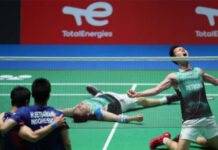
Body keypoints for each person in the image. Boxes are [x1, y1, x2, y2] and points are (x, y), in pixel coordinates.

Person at [127, 45, 218, 150]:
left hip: (207, 117)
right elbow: (157, 90)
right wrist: (137, 94)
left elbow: (215, 82)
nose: (183, 50)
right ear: (175, 58)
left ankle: (186, 138)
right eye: (179, 50)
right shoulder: (174, 77)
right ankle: (164, 139)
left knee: (214, 146)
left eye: (183, 49)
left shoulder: (198, 71)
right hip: (191, 120)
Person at [0, 78, 71, 150]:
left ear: (32, 94)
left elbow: (3, 129)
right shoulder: (59, 115)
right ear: (49, 95)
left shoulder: (23, 113)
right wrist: (54, 123)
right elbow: (67, 144)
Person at [64, 86, 179, 123]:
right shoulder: (98, 112)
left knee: (99, 95)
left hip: (103, 96)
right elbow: (116, 118)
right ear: (88, 113)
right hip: (120, 101)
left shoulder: (74, 111)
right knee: (141, 99)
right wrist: (133, 118)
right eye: (80, 108)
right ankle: (167, 99)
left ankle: (98, 93)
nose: (79, 105)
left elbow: (59, 111)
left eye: (77, 107)